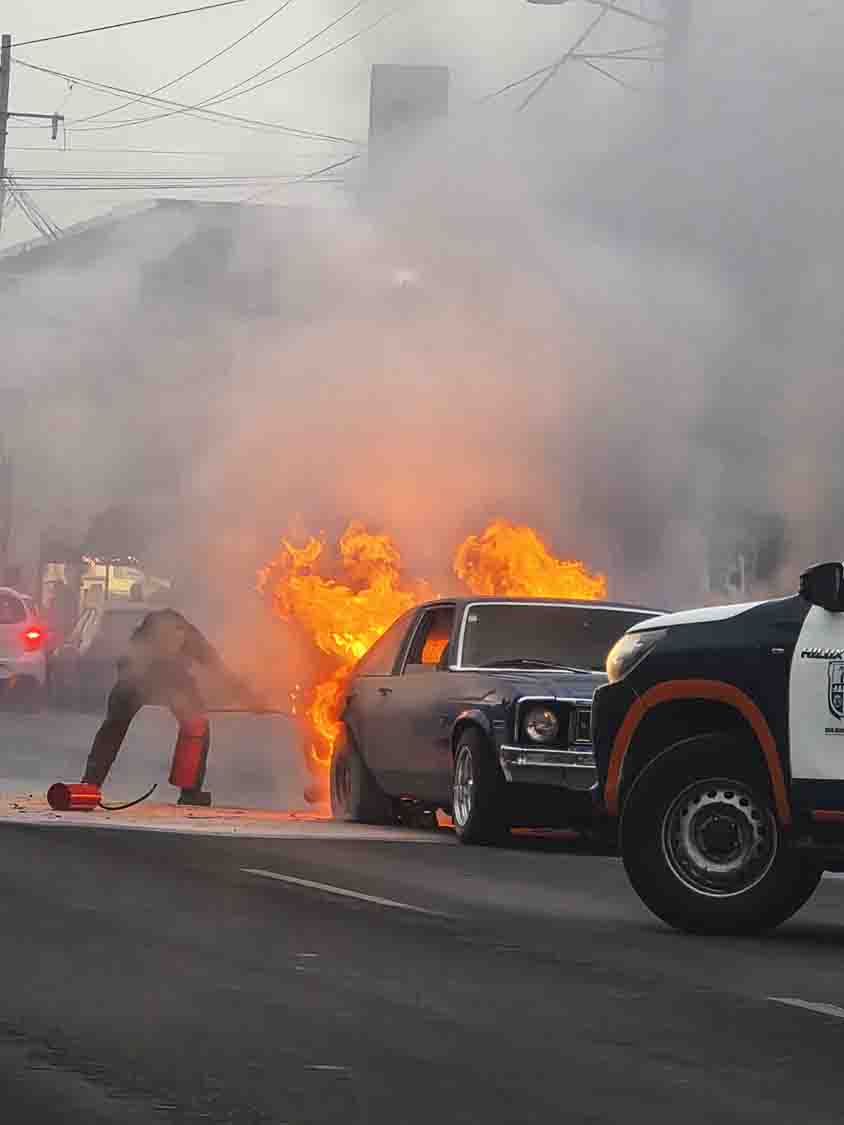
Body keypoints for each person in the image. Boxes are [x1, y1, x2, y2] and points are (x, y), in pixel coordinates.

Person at [82, 608, 261, 806]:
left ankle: (190, 792)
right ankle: (89, 785)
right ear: (153, 638)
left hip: (173, 678)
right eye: (166, 640)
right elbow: (126, 669)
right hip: (141, 679)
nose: (172, 644)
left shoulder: (192, 641)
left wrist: (248, 698)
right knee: (113, 728)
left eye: (177, 638)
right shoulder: (139, 650)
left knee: (196, 725)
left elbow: (218, 668)